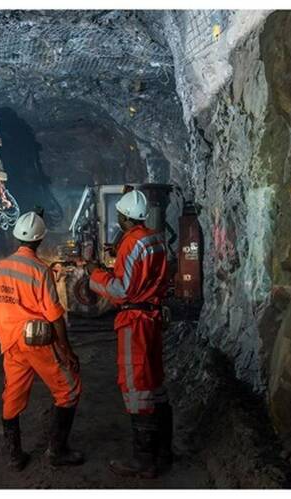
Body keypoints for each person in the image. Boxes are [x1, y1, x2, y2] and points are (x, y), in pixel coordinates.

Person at [85, 189, 173, 478]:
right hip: (152, 317)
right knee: (154, 382)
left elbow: (122, 290)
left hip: (134, 321)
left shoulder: (131, 243)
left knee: (136, 384)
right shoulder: (155, 238)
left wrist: (95, 274)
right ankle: (164, 450)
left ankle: (144, 460)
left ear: (123, 217)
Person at [0, 211, 83, 471]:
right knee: (69, 389)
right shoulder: (40, 270)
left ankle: (15, 456)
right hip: (36, 341)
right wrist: (67, 351)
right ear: (40, 240)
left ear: (17, 237)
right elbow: (55, 316)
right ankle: (57, 451)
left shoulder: (0, 267)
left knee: (12, 396)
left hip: (10, 342)